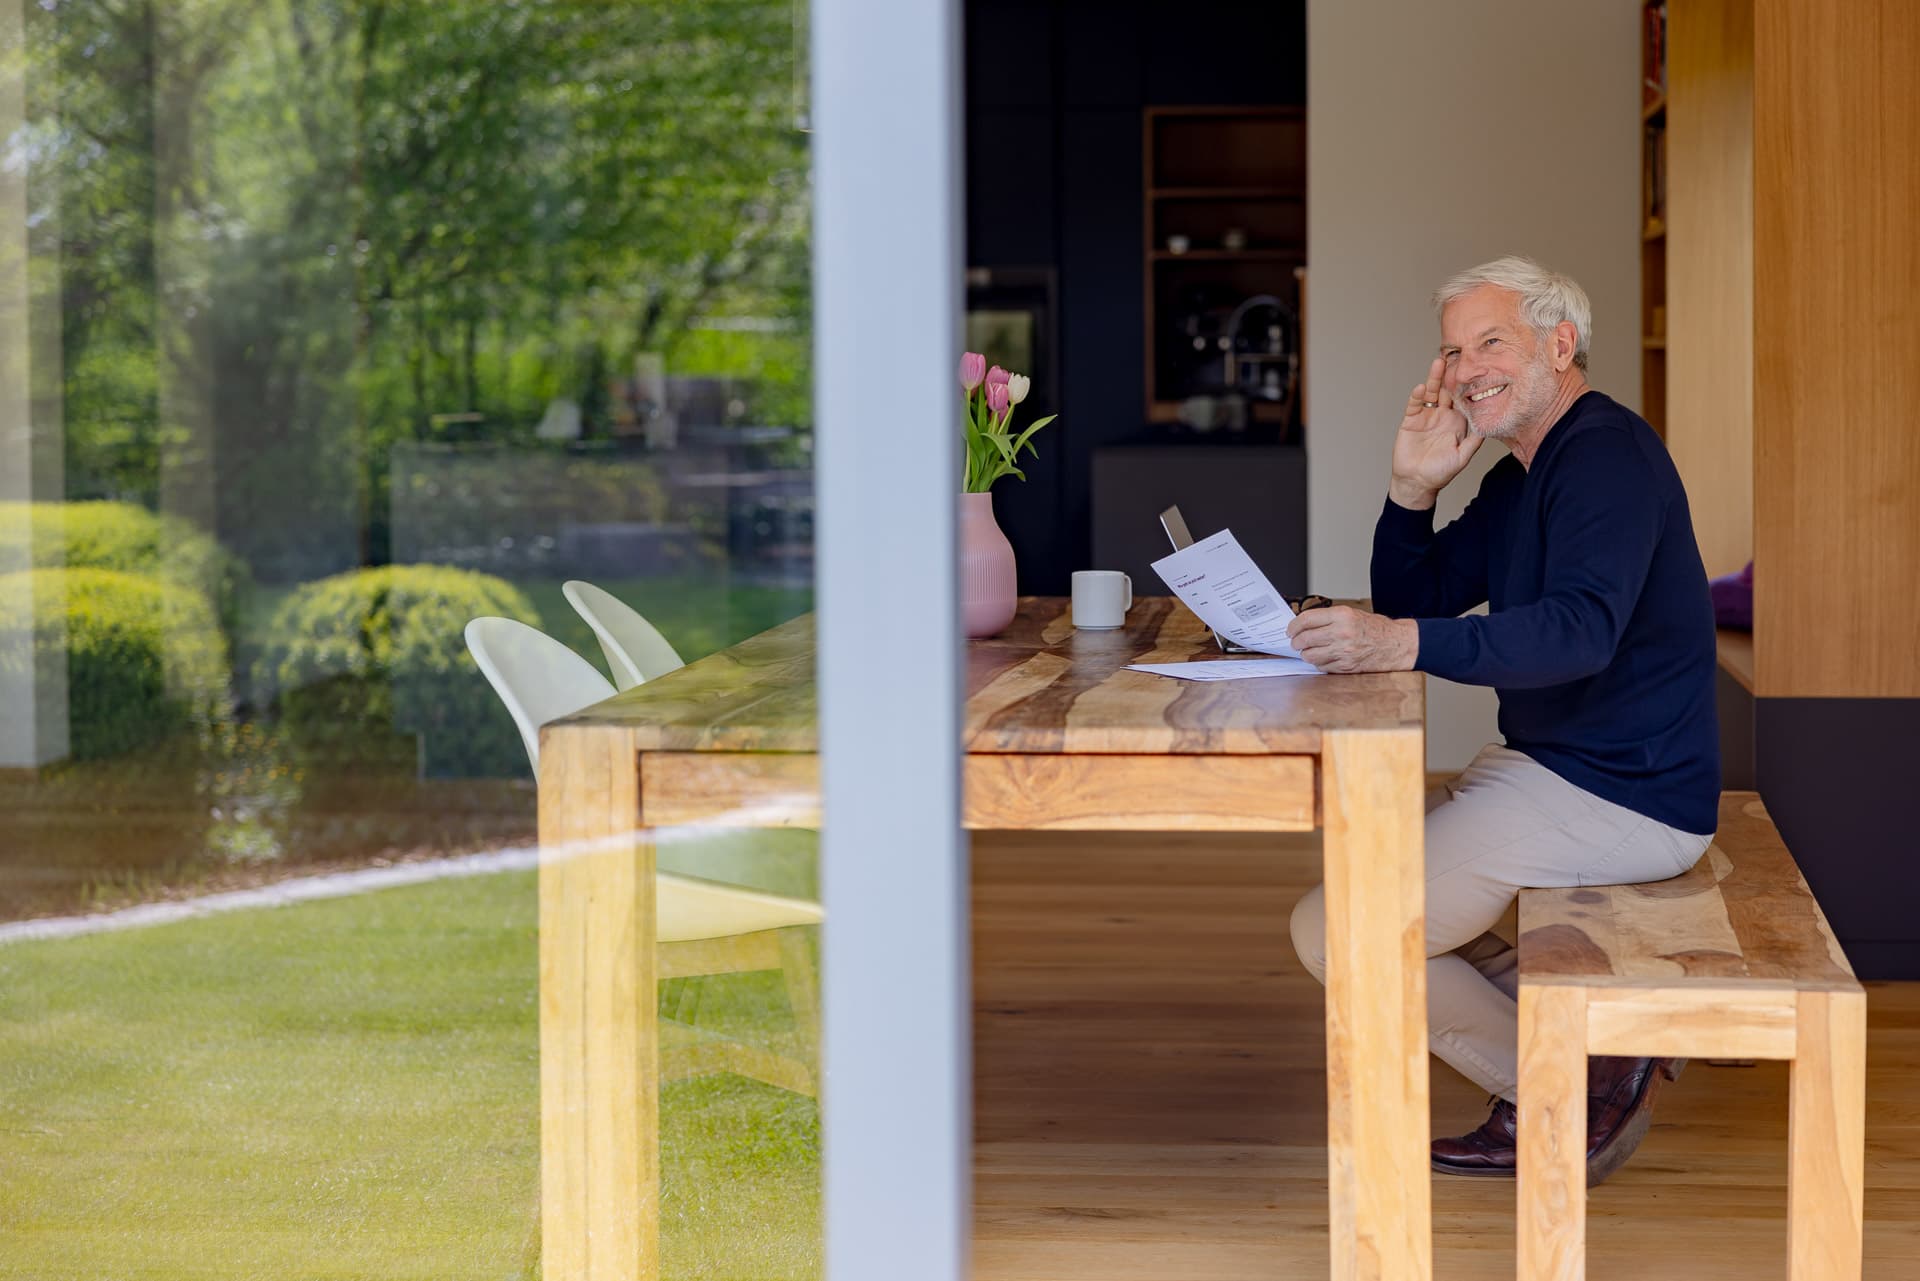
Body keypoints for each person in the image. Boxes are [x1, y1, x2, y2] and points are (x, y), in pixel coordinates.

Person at [1284, 256, 1720, 1183]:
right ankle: (1607, 1042)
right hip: (1557, 768)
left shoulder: (1606, 458)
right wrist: (1413, 488)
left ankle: (1562, 1093)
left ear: (1560, 346)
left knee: (1340, 929)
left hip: (1624, 793)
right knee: (1372, 888)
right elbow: (1425, 592)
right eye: (1452, 348)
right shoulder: (1526, 472)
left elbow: (1577, 635)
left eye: (1492, 341)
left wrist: (1400, 643)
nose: (1465, 366)